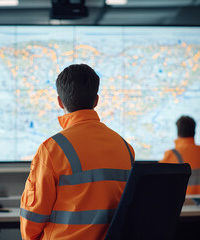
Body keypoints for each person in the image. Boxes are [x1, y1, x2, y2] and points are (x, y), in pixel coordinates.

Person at [20, 64, 135, 240]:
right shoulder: (126, 148)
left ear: (59, 101)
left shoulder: (51, 149)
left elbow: (32, 223)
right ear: (96, 100)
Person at [160, 116, 200, 194]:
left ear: (178, 132)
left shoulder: (172, 154)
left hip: (184, 203)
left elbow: (156, 179)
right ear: (194, 132)